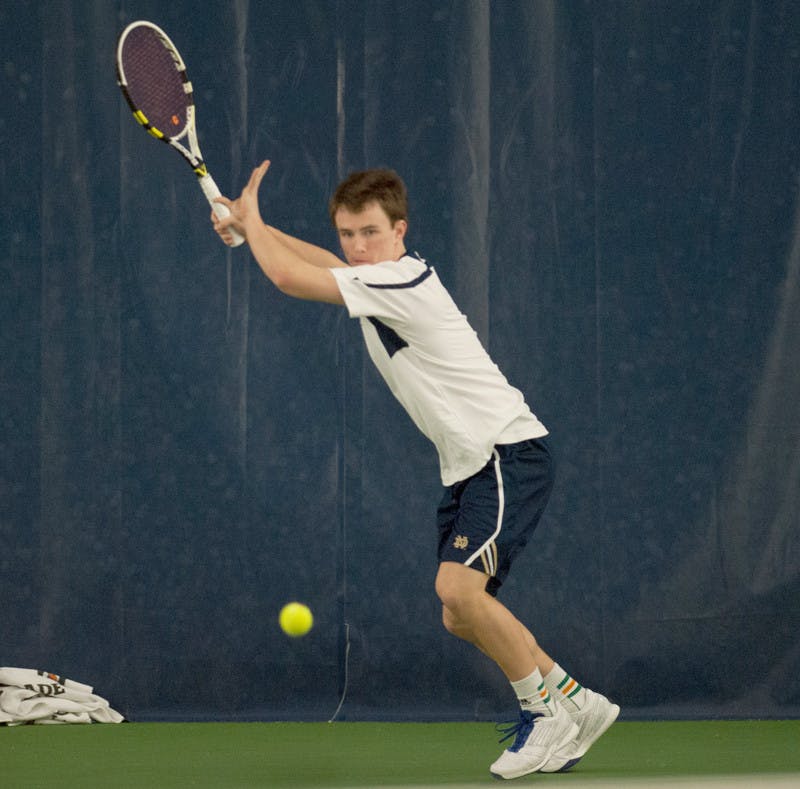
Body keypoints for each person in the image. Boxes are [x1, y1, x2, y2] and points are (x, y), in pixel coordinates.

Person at [211, 161, 619, 780]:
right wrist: (252, 227)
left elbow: (291, 277)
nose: (356, 247)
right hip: (470, 466)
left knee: (458, 589)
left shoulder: (401, 279)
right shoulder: (376, 276)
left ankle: (543, 715)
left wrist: (256, 227)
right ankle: (574, 700)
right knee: (459, 613)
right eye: (349, 234)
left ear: (399, 230)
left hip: (504, 454)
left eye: (370, 232)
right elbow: (322, 262)